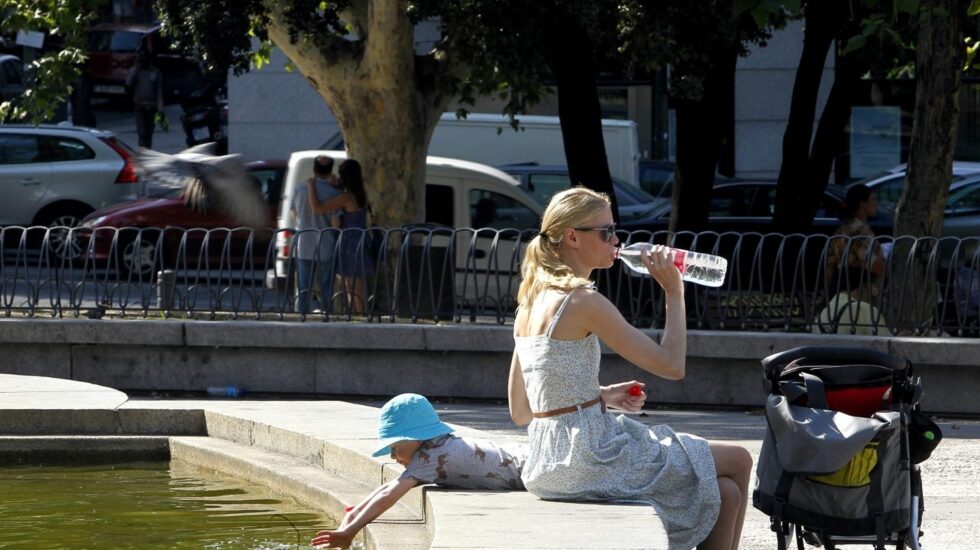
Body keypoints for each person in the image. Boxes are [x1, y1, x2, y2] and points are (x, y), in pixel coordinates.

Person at [508, 187, 752, 550]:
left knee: (726, 492)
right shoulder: (583, 300)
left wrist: (598, 396)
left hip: (548, 462)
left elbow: (522, 410)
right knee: (740, 459)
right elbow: (672, 366)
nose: (616, 239)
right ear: (573, 237)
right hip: (590, 456)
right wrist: (674, 291)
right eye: (606, 231)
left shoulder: (530, 301)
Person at [311, 393, 525, 549]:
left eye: (394, 448)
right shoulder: (436, 447)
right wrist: (355, 513)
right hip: (521, 458)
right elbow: (387, 487)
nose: (392, 457)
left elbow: (389, 494)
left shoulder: (430, 457)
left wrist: (349, 532)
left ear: (416, 439)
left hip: (527, 469)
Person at [309, 159, 374, 313]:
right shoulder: (360, 194)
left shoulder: (347, 197)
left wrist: (311, 186)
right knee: (354, 283)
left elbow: (317, 208)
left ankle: (361, 315)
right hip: (360, 239)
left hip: (349, 242)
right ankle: (359, 314)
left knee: (351, 284)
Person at [291, 155, 340, 315]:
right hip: (326, 245)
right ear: (330, 170)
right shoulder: (333, 193)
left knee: (303, 285)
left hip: (303, 244)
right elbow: (335, 223)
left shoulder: (300, 188)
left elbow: (294, 213)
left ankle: (301, 315)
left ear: (314, 169)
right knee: (326, 284)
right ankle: (327, 314)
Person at [826, 184, 887, 297]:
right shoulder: (858, 231)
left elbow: (830, 267)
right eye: (872, 199)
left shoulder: (842, 228)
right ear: (862, 204)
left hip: (840, 295)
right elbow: (876, 266)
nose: (876, 203)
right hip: (859, 295)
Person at [813, 266, 886, 335]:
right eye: (870, 289)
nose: (873, 295)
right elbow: (888, 345)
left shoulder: (822, 314)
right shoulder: (865, 310)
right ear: (860, 288)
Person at [125, 48, 164, 149]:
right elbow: (128, 83)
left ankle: (148, 151)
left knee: (149, 133)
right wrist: (136, 66)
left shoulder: (156, 72)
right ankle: (142, 152)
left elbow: (159, 91)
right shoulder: (135, 71)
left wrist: (160, 109)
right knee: (142, 133)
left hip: (152, 107)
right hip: (140, 106)